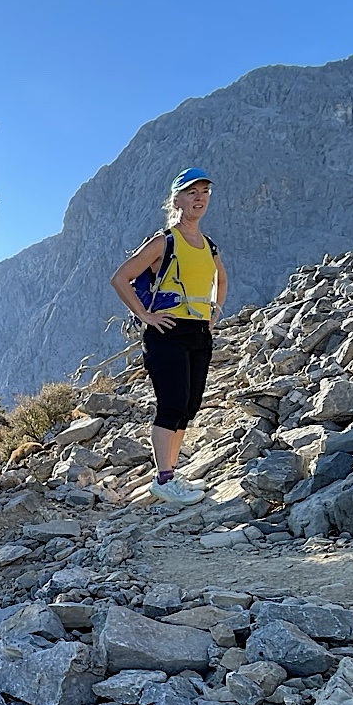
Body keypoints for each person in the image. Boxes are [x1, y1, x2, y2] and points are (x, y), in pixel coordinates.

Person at [109, 168, 228, 505]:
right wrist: (144, 315)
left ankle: (172, 474)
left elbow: (221, 278)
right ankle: (163, 479)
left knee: (189, 406)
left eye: (205, 191)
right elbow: (121, 278)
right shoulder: (164, 241)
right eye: (192, 192)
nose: (200, 197)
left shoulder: (209, 245)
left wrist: (214, 310)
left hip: (199, 331)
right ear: (176, 199)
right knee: (171, 404)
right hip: (167, 331)